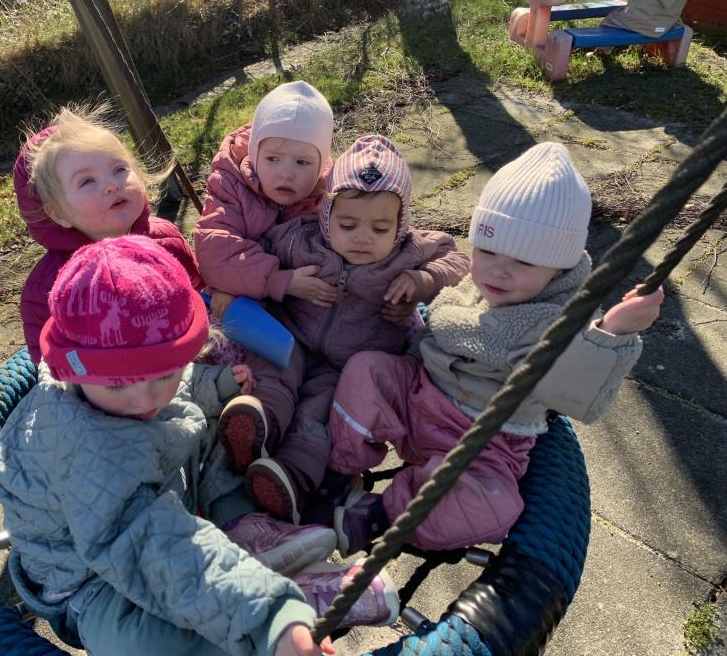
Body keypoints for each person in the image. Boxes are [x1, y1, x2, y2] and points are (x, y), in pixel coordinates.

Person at [0, 236, 400, 656]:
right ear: (70, 371)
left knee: (208, 424)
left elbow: (180, 382)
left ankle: (241, 527)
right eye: (118, 385)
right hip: (88, 580)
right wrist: (270, 615)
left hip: (163, 509)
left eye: (163, 374)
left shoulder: (126, 382)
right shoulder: (84, 447)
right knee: (143, 646)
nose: (145, 399)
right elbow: (154, 547)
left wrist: (217, 386)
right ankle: (283, 611)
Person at [317, 142, 664, 556]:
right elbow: (432, 333)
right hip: (419, 398)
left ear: (559, 268)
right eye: (488, 250)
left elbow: (573, 391)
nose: (499, 270)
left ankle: (382, 514)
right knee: (367, 369)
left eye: (524, 262)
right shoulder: (480, 285)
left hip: (483, 445)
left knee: (494, 508)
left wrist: (612, 332)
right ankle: (339, 472)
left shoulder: (561, 318)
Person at [217, 135, 469, 526]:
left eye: (380, 228)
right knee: (272, 372)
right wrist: (273, 281)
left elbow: (458, 261)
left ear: (400, 226)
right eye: (348, 224)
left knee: (319, 415)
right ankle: (256, 428)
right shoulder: (302, 238)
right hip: (291, 339)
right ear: (326, 216)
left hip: (348, 366)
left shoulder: (409, 252)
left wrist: (422, 280)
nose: (363, 237)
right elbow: (255, 254)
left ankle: (290, 479)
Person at [194, 80, 418, 329]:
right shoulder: (230, 184)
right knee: (225, 309)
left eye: (302, 162)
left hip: (307, 304)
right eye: (273, 159)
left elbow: (383, 229)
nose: (286, 173)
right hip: (250, 289)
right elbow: (215, 252)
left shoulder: (330, 191)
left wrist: (408, 286)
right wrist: (281, 281)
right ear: (255, 154)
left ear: (320, 164)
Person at [14, 105, 203, 364]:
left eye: (119, 169)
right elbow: (50, 363)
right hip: (108, 384)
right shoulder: (48, 288)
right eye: (87, 181)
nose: (112, 185)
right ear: (58, 213)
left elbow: (199, 299)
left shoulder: (165, 240)